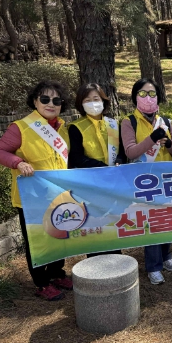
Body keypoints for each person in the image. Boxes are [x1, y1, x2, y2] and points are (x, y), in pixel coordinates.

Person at [0, 81, 72, 301]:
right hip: (32, 197)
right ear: (35, 101)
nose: (50, 104)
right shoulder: (21, 127)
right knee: (38, 239)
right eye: (45, 99)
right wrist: (18, 162)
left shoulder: (62, 129)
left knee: (59, 234)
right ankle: (41, 282)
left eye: (56, 100)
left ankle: (56, 273)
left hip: (58, 194)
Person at [120, 78, 172, 285]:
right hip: (144, 182)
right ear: (135, 97)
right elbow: (130, 151)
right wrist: (152, 138)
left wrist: (168, 142)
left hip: (166, 179)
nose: (148, 97)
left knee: (166, 218)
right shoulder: (129, 121)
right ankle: (153, 266)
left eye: (152, 93)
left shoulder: (165, 121)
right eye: (143, 93)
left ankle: (166, 256)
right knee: (151, 222)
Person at [68, 83, 121, 257]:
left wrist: (119, 161)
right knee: (94, 225)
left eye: (96, 99)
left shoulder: (113, 124)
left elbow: (121, 151)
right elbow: (76, 157)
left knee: (113, 222)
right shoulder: (76, 127)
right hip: (89, 185)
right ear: (81, 104)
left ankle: (117, 259)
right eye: (87, 100)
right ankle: (94, 263)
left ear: (103, 101)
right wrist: (102, 168)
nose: (92, 103)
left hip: (112, 183)